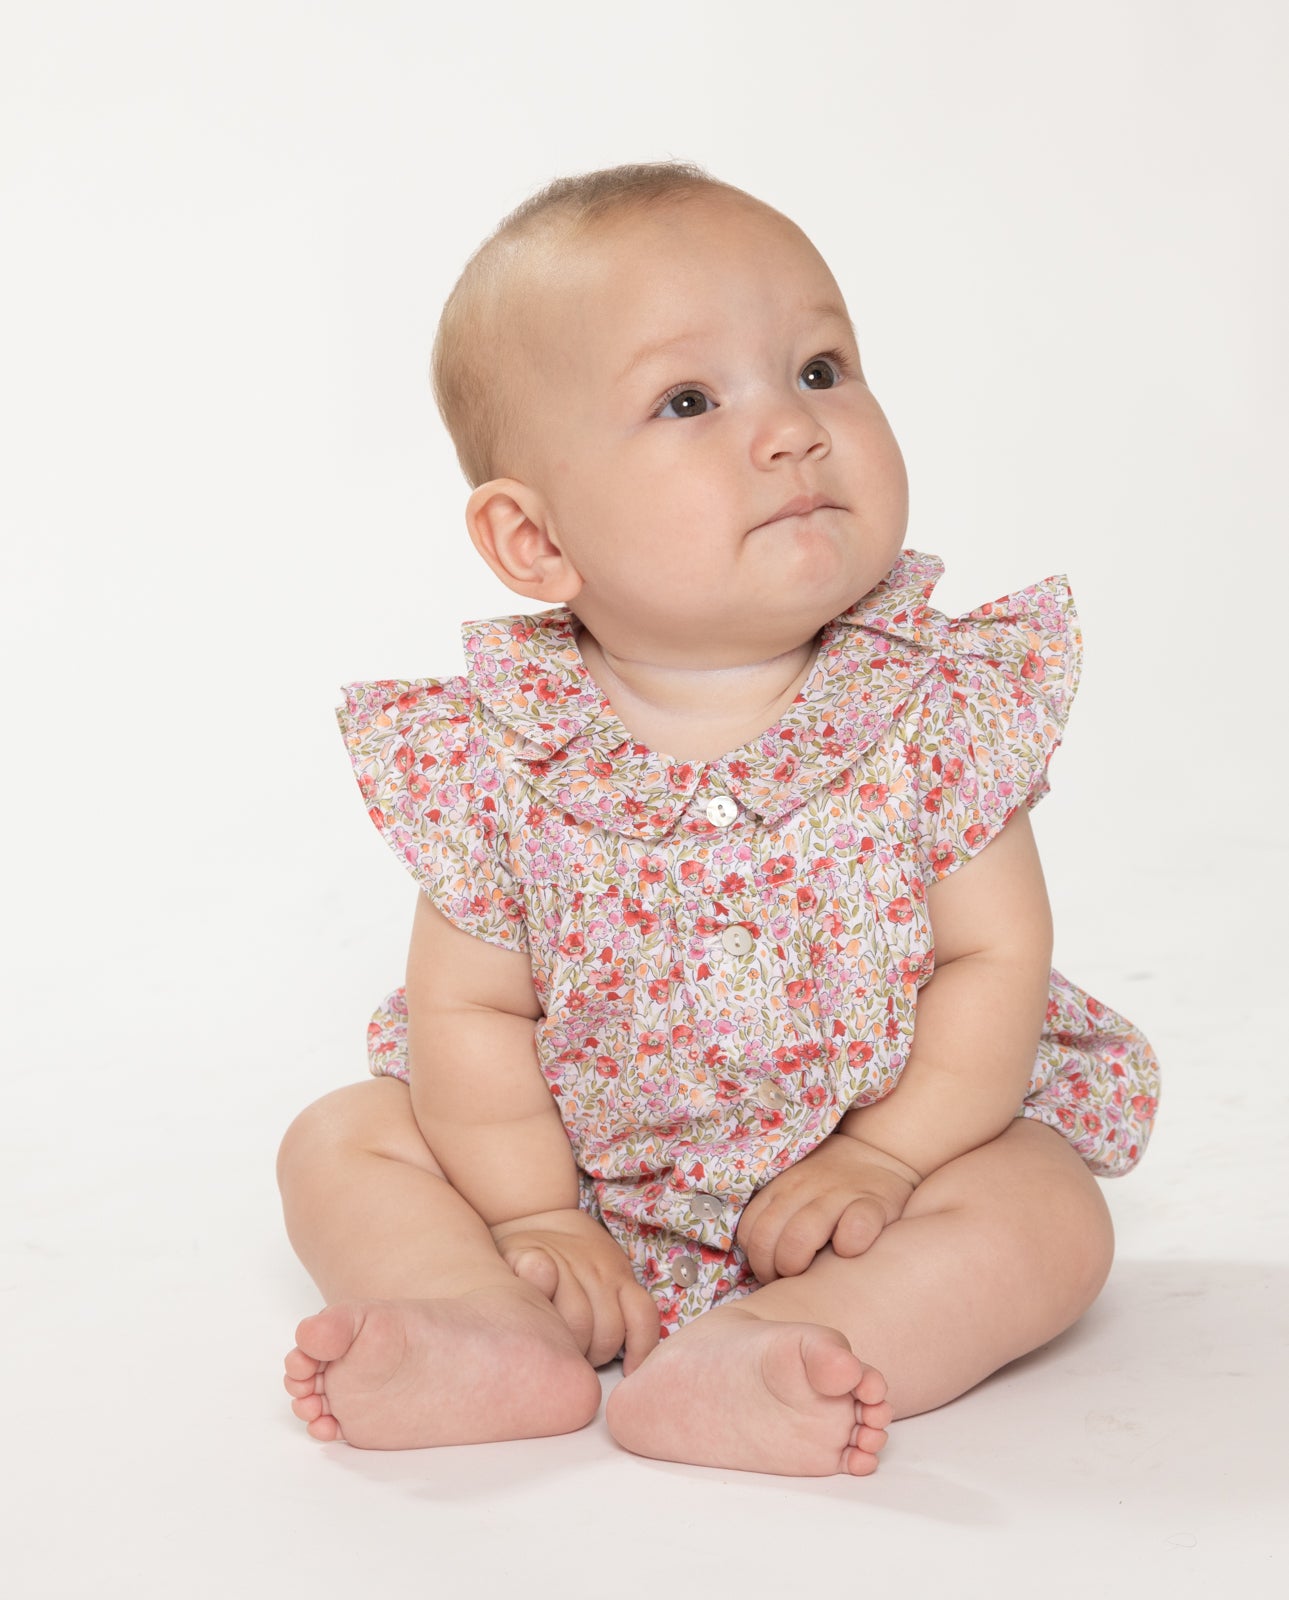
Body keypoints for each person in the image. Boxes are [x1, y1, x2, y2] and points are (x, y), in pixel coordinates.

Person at [278, 161, 1159, 1477]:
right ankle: (481, 1317)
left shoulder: (936, 707)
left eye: (818, 369)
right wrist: (532, 1214)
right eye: (689, 400)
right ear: (533, 543)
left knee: (1046, 1213)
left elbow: (996, 961)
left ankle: (796, 1339)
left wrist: (887, 1158)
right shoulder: (495, 751)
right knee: (341, 1140)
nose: (792, 430)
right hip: (567, 1172)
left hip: (869, 1171)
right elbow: (468, 1011)